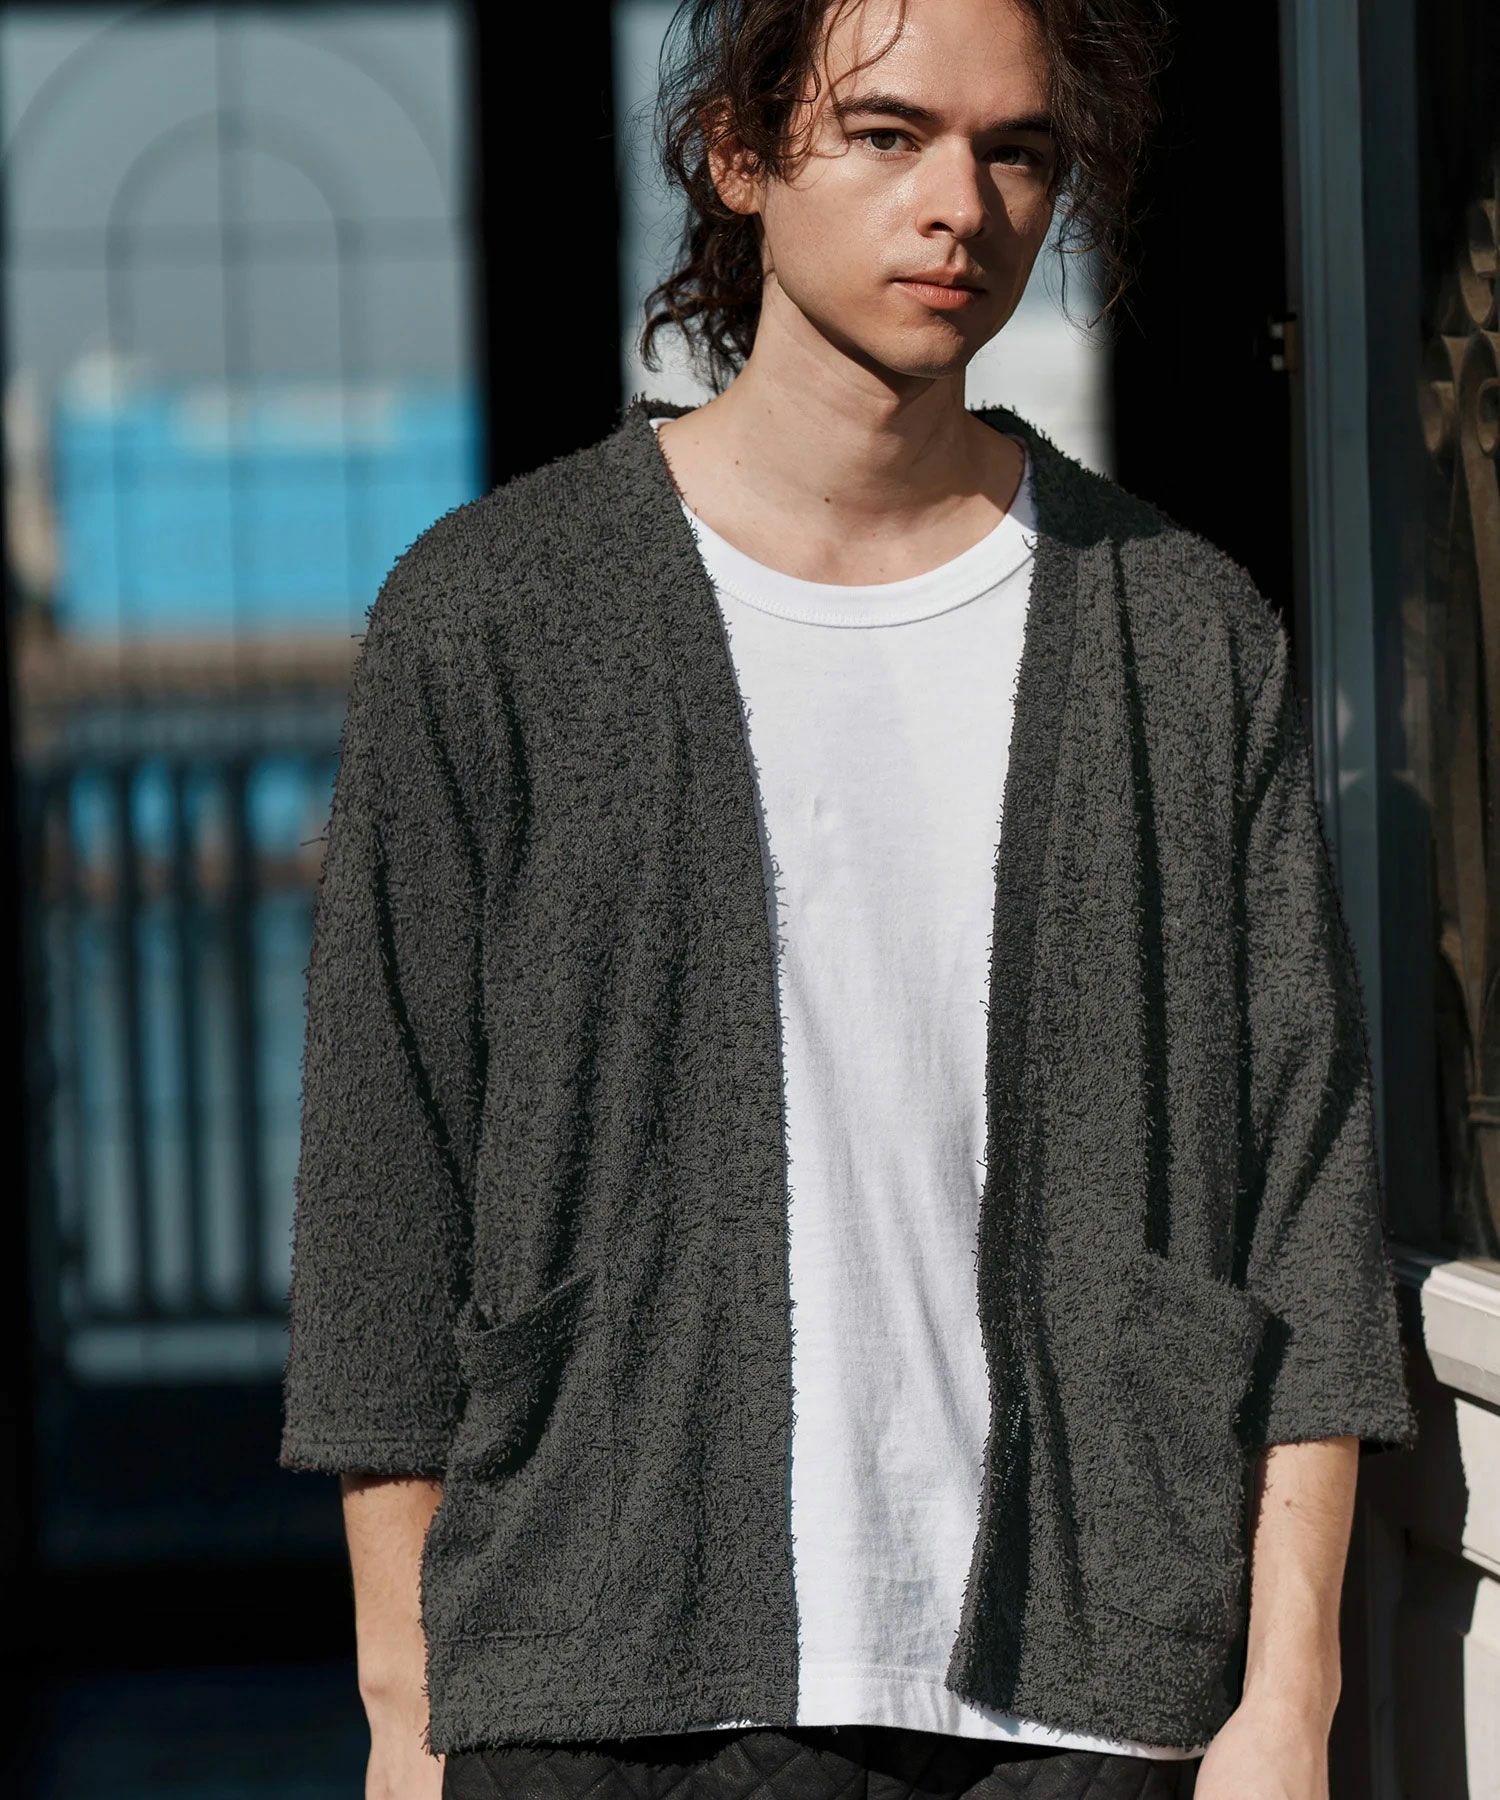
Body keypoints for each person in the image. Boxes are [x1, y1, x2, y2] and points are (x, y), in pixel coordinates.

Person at [277, 0, 1418, 1796]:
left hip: (1087, 1701)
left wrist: (1290, 1697)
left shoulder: (1182, 636)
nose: (960, 203)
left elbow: (1306, 1193)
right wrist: (404, 1709)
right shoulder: (494, 616)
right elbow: (381, 1202)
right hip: (601, 1687)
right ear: (739, 153)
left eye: (1016, 150)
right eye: (888, 134)